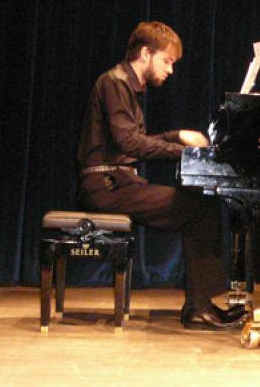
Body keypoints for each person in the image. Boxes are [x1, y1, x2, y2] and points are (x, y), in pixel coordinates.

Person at [77, 21, 245, 331]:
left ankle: (199, 304)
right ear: (145, 53)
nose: (170, 70)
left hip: (119, 184)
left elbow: (131, 140)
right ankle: (199, 307)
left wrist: (176, 135)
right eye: (167, 61)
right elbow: (130, 143)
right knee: (200, 208)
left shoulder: (124, 85)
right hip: (107, 187)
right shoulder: (114, 83)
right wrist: (184, 151)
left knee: (200, 205)